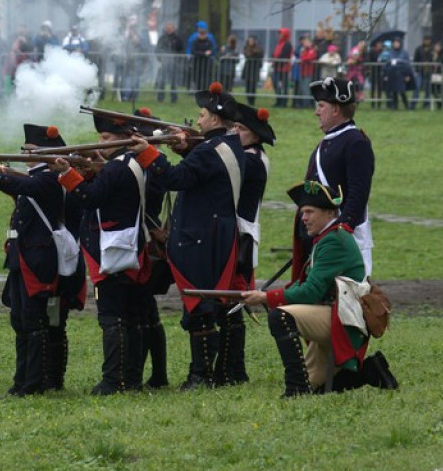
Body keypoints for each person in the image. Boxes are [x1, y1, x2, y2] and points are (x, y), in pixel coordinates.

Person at [127, 82, 244, 390]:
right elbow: (203, 168)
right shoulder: (226, 145)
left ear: (215, 119)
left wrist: (149, 153)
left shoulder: (210, 151)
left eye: (202, 115)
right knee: (204, 302)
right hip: (212, 234)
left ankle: (200, 376)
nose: (199, 120)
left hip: (201, 238)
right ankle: (208, 373)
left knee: (199, 305)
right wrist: (185, 147)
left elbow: (176, 178)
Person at [0, 124, 83, 396]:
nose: (26, 154)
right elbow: (19, 186)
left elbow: (23, 185)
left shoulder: (50, 178)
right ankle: (24, 382)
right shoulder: (37, 178)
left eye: (31, 150)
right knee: (21, 319)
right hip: (24, 257)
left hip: (39, 261)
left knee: (33, 322)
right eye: (25, 150)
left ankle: (34, 384)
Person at [242, 181, 397, 396]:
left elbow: (310, 292)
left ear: (330, 213)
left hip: (343, 320)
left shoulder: (333, 241)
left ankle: (295, 388)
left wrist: (266, 297)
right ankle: (371, 371)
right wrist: (265, 295)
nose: (303, 218)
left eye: (309, 212)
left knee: (280, 317)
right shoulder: (328, 237)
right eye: (303, 212)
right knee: (316, 388)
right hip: (336, 314)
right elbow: (307, 284)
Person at [50, 114, 155, 394]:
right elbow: (105, 191)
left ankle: (113, 380)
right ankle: (131, 378)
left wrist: (67, 174)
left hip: (113, 249)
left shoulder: (117, 167)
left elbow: (91, 198)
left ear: (122, 139)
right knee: (130, 316)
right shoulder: (128, 163)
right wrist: (92, 169)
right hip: (127, 245)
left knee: (113, 318)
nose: (101, 142)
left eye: (106, 138)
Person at [215, 103, 276, 385]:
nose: (234, 133)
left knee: (233, 301)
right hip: (240, 234)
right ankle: (232, 369)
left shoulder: (250, 161)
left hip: (240, 237)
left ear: (255, 134)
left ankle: (231, 371)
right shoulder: (250, 156)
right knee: (231, 300)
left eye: (240, 129)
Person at [298, 76, 375, 278]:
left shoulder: (355, 142)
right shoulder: (327, 143)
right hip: (324, 235)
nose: (316, 112)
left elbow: (358, 192)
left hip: (344, 239)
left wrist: (342, 228)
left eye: (321, 106)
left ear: (336, 109)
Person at [155, 22, 185, 102]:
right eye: (167, 28)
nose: (169, 29)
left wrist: (177, 59)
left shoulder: (178, 39)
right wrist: (160, 59)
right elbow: (157, 50)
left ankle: (173, 99)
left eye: (170, 28)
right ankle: (160, 98)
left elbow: (182, 50)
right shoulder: (162, 38)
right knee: (162, 81)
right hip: (164, 63)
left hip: (174, 64)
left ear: (174, 29)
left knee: (173, 82)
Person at [381, 37, 412, 110]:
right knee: (393, 91)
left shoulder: (404, 53)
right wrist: (386, 74)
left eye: (397, 43)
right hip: (392, 74)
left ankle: (407, 105)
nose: (396, 44)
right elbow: (387, 64)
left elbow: (407, 64)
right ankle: (395, 106)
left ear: (400, 43)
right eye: (395, 43)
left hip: (401, 74)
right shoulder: (390, 53)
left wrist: (408, 75)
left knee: (402, 91)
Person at [186, 21, 216, 91]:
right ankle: (198, 90)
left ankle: (206, 91)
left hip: (207, 63)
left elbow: (213, 49)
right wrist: (204, 54)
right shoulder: (194, 39)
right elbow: (192, 50)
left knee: (207, 77)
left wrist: (210, 55)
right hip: (197, 62)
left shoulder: (209, 39)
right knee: (197, 77)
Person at [271, 27, 293, 108]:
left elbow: (284, 56)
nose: (279, 35)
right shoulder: (279, 43)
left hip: (284, 69)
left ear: (285, 35)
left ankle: (284, 102)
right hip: (277, 68)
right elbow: (275, 54)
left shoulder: (287, 44)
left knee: (284, 87)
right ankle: (278, 101)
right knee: (276, 85)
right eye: (279, 33)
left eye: (281, 33)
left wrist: (275, 62)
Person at [241, 35, 264, 105]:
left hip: (255, 69)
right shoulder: (246, 47)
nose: (250, 42)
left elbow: (260, 55)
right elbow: (247, 55)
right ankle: (249, 100)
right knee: (247, 85)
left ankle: (252, 101)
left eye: (252, 40)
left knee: (253, 86)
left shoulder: (259, 48)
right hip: (248, 69)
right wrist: (253, 53)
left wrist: (252, 54)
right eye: (249, 40)